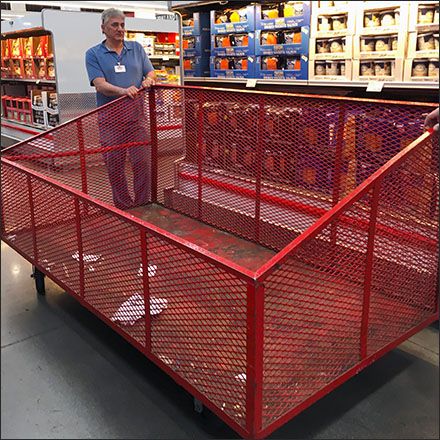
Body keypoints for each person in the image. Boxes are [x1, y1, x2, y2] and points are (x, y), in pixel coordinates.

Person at [85, 8, 157, 209]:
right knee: (114, 166)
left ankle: (142, 205)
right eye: (114, 25)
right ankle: (124, 206)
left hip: (137, 119)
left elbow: (151, 72)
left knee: (142, 163)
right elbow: (100, 85)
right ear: (103, 28)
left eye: (122, 25)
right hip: (110, 121)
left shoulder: (136, 48)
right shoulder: (93, 54)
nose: (120, 29)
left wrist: (149, 80)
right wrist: (124, 90)